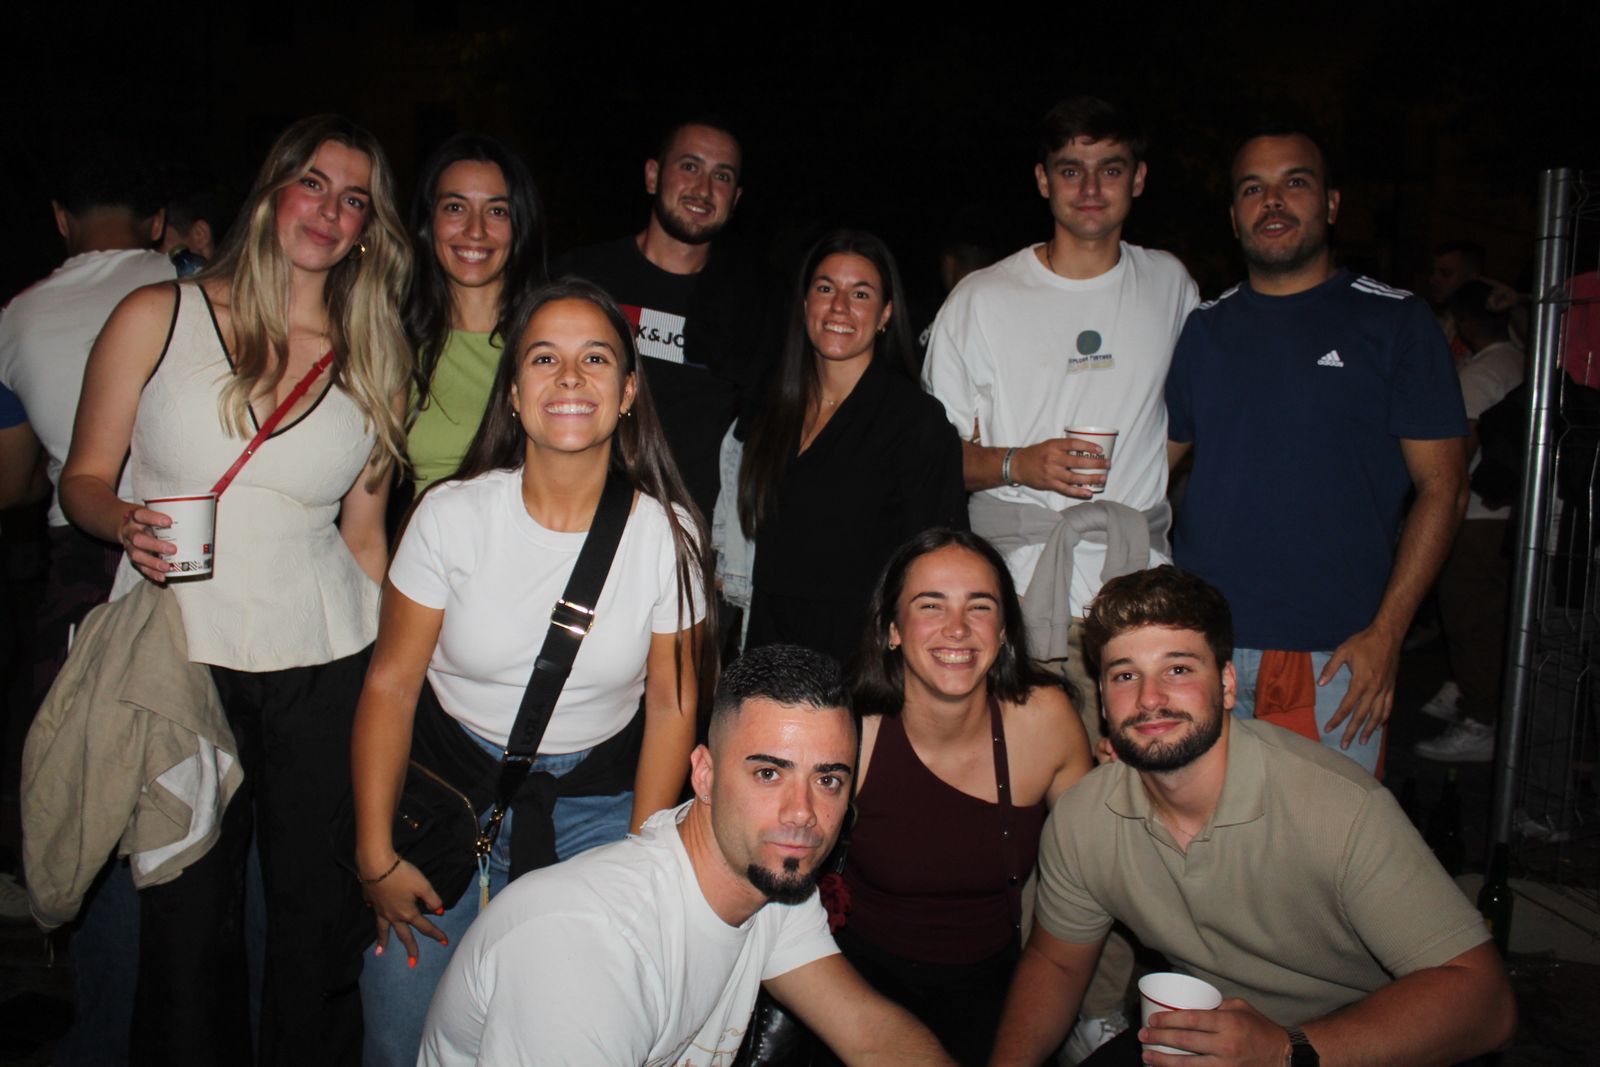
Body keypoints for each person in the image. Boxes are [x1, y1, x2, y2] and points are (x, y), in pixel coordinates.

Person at [59, 114, 412, 1065]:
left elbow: (367, 539)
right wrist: (120, 519)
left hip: (323, 661)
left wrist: (392, 689)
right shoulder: (156, 314)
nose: (330, 211)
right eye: (313, 184)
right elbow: (84, 477)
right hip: (183, 656)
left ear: (368, 229)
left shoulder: (375, 354)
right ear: (272, 192)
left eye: (355, 200)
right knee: (186, 916)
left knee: (312, 917)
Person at [351, 278, 713, 1066]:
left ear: (626, 394)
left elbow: (672, 698)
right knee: (397, 1022)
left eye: (595, 358)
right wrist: (374, 852)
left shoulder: (666, 534)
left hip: (595, 808)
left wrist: (640, 858)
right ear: (513, 395)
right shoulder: (450, 516)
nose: (571, 376)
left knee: (561, 1034)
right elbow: (390, 685)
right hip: (450, 801)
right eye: (545, 358)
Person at [989, 566, 1517, 1067]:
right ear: (1103, 699)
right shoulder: (1085, 818)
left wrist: (1286, 1051)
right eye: (1125, 675)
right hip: (1206, 1037)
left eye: (1177, 669)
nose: (1150, 698)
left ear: (1225, 685)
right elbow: (1055, 963)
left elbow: (1486, 1003)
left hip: (1354, 1046)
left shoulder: (1335, 807)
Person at [921, 94, 1196, 1056]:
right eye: (1070, 168)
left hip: (1135, 597)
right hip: (1018, 592)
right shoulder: (983, 300)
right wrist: (1018, 463)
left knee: (1140, 803)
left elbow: (1190, 420)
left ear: (1139, 181)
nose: (1090, 187)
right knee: (1028, 806)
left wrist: (1149, 503)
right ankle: (1022, 990)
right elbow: (926, 456)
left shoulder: (1171, 285)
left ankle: (1102, 1009)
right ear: (1042, 181)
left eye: (1111, 166)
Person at [419, 643, 956, 1067]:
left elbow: (871, 1035)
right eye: (769, 774)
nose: (802, 813)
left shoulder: (771, 886)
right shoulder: (586, 946)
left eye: (829, 779)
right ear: (704, 775)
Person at [1165, 127, 1469, 774]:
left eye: (1293, 182)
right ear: (1234, 216)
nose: (1272, 201)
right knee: (1198, 860)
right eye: (1253, 189)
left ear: (1331, 203)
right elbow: (1149, 471)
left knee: (1316, 866)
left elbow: (1445, 487)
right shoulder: (1204, 330)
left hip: (1337, 654)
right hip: (1198, 647)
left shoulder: (1395, 323)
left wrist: (1388, 633)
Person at [823, 528, 1090, 1065]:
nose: (958, 629)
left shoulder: (1046, 721)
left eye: (980, 606)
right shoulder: (851, 728)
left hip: (999, 993)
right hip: (854, 988)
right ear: (893, 629)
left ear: (1005, 629)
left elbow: (1099, 878)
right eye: (930, 605)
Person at [738, 229, 967, 665]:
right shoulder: (774, 406)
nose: (839, 306)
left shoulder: (916, 421)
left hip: (861, 662)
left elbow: (937, 560)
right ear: (805, 304)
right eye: (826, 288)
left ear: (885, 315)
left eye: (860, 294)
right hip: (770, 653)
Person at [0, 137, 175, 702]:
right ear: (156, 223)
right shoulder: (202, 287)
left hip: (84, 556)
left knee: (73, 750)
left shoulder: (14, 319)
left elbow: (9, 483)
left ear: (60, 218)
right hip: (197, 544)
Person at [554, 117, 771, 522]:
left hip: (685, 540)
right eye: (689, 166)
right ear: (653, 176)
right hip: (572, 523)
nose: (703, 189)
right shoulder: (581, 278)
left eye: (721, 176)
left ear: (736, 197)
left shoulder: (753, 309)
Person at [1415, 279, 1525, 762]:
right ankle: (1484, 706)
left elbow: (1454, 461)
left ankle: (1481, 721)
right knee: (1495, 619)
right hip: (1508, 515)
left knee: (1469, 618)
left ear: (1460, 322)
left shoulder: (1479, 374)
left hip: (1477, 516)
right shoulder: (1519, 359)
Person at [404, 132, 547, 495]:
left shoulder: (549, 344)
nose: (475, 230)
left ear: (520, 226)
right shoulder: (397, 343)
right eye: (455, 207)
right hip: (428, 549)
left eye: (496, 211)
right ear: (428, 222)